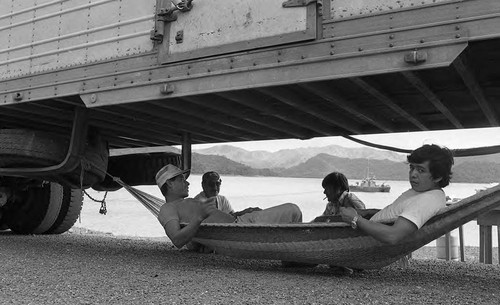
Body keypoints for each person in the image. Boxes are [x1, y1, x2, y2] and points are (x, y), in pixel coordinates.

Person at [156, 164, 302, 249]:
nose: (187, 183)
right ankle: (295, 256)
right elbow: (177, 240)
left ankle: (293, 255)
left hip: (240, 224)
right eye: (182, 180)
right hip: (241, 229)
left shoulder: (184, 203)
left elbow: (193, 241)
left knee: (292, 212)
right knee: (293, 209)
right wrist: (200, 217)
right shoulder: (167, 208)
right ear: (169, 183)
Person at [340, 144, 454, 245]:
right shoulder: (423, 192)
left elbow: (392, 236)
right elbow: (400, 214)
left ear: (438, 177)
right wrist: (371, 213)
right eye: (412, 168)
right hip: (367, 235)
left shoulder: (428, 200)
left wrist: (355, 219)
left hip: (367, 242)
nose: (413, 174)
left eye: (421, 170)